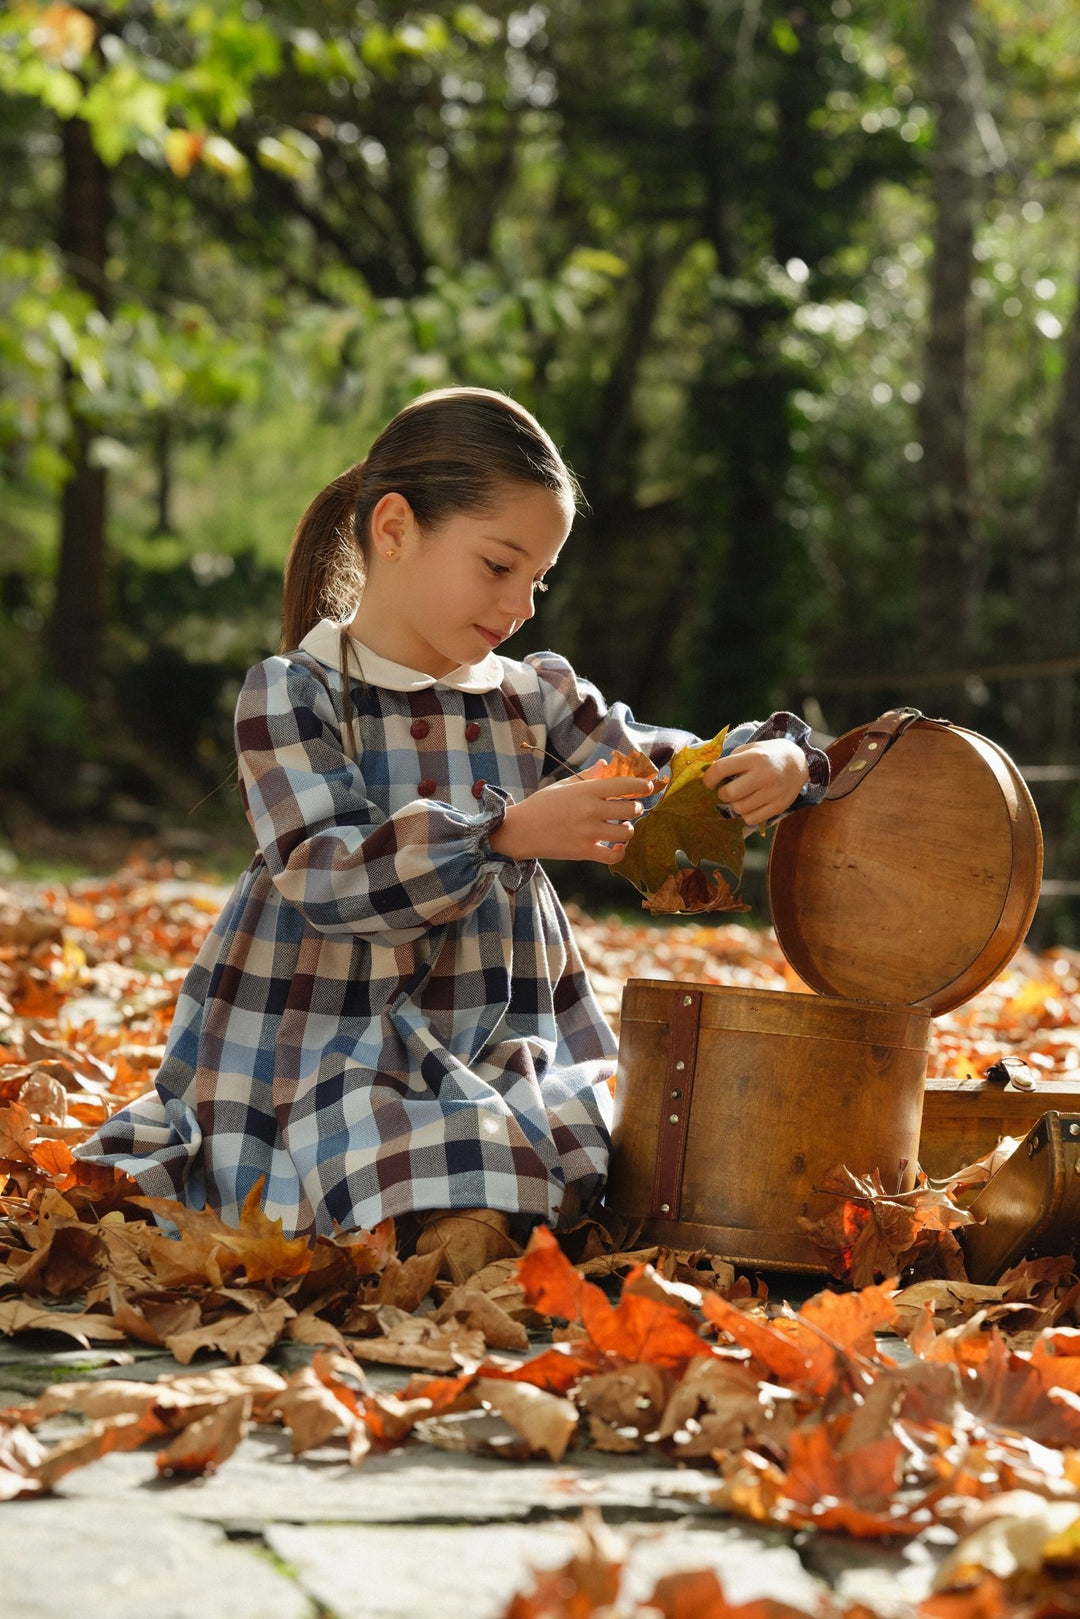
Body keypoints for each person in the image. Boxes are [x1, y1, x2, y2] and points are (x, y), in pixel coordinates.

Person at [76, 387, 829, 1254]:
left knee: (613, 1133)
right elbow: (326, 874)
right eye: (500, 566)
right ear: (393, 529)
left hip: (499, 1027)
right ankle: (446, 1218)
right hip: (330, 1028)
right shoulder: (294, 693)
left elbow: (661, 771)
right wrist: (501, 834)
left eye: (539, 578)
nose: (524, 604)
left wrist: (778, 761)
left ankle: (469, 1213)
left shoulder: (530, 694)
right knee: (375, 1135)